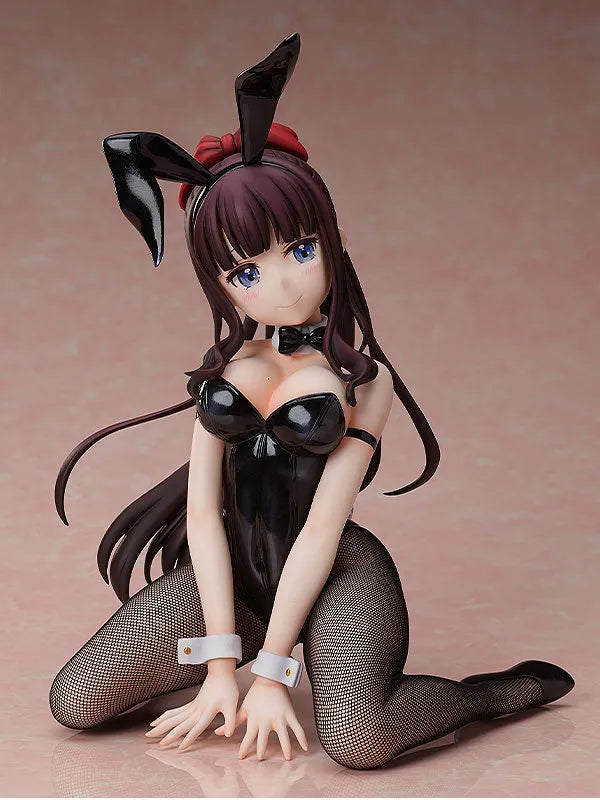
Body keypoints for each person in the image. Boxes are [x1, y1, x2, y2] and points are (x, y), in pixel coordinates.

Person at [49, 34, 574, 770]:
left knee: (359, 740)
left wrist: (272, 674)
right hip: (238, 572)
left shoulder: (366, 383)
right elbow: (202, 517)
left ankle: (486, 696)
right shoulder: (226, 369)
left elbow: (324, 526)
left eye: (300, 250)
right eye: (245, 272)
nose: (284, 284)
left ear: (334, 238)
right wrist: (222, 665)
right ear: (217, 282)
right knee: (75, 701)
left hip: (338, 575)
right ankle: (222, 663)